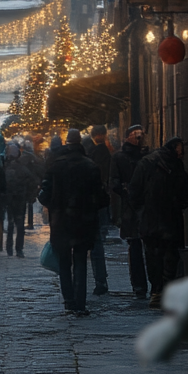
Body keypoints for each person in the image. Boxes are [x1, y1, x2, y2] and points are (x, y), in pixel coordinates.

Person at [39, 129, 109, 315]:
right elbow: (102, 198)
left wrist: (55, 207)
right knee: (80, 261)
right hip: (84, 221)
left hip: (61, 221)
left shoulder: (56, 166)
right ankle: (80, 302)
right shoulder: (90, 166)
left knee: (64, 262)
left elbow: (43, 194)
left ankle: (69, 299)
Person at [128, 136, 188, 308]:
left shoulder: (147, 163)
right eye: (180, 149)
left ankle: (157, 291)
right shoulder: (174, 165)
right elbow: (185, 193)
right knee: (167, 256)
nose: (181, 153)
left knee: (154, 256)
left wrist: (142, 211)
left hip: (152, 219)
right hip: (167, 218)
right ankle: (161, 291)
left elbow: (134, 191)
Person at [110, 125, 151, 298]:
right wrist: (126, 191)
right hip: (131, 209)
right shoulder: (119, 157)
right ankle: (139, 285)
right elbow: (113, 182)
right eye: (135, 135)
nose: (138, 139)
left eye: (141, 135)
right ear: (127, 137)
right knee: (134, 246)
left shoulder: (149, 156)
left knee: (150, 247)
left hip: (148, 206)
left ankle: (153, 283)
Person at [86, 125, 114, 295]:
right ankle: (100, 281)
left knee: (92, 245)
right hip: (99, 202)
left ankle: (92, 282)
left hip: (89, 207)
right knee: (97, 243)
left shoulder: (94, 154)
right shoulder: (107, 152)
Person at [3, 137, 40, 257]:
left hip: (9, 199)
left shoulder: (5, 168)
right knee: (19, 224)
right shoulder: (22, 168)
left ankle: (9, 248)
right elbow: (32, 182)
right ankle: (19, 249)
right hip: (20, 199)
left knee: (10, 223)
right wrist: (30, 196)